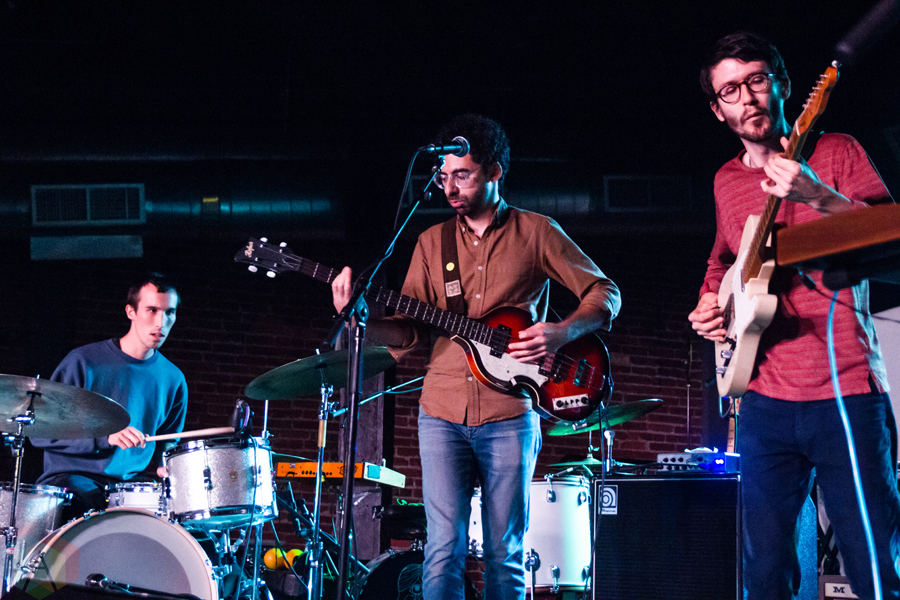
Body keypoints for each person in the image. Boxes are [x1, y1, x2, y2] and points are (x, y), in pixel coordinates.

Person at [331, 113, 621, 600]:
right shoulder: (432, 242)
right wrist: (358, 318)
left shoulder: (536, 232)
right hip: (441, 411)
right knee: (442, 549)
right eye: (444, 176)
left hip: (511, 413)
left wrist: (560, 332)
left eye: (462, 175)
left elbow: (605, 292)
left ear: (495, 171)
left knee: (504, 551)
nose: (450, 188)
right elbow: (409, 332)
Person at [688, 32, 900, 599]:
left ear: (781, 84)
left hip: (845, 392)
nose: (747, 97)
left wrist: (818, 195)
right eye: (730, 90)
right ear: (718, 109)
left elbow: (889, 232)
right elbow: (723, 261)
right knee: (764, 572)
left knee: (872, 565)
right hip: (763, 401)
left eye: (757, 80)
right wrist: (709, 304)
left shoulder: (837, 152)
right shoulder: (726, 181)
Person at [32, 272, 187, 521]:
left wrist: (166, 466)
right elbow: (40, 431)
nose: (161, 322)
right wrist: (106, 437)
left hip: (128, 485)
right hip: (73, 478)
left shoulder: (173, 379)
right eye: (152, 310)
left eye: (169, 312)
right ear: (130, 311)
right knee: (88, 506)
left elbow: (167, 441)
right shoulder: (83, 362)